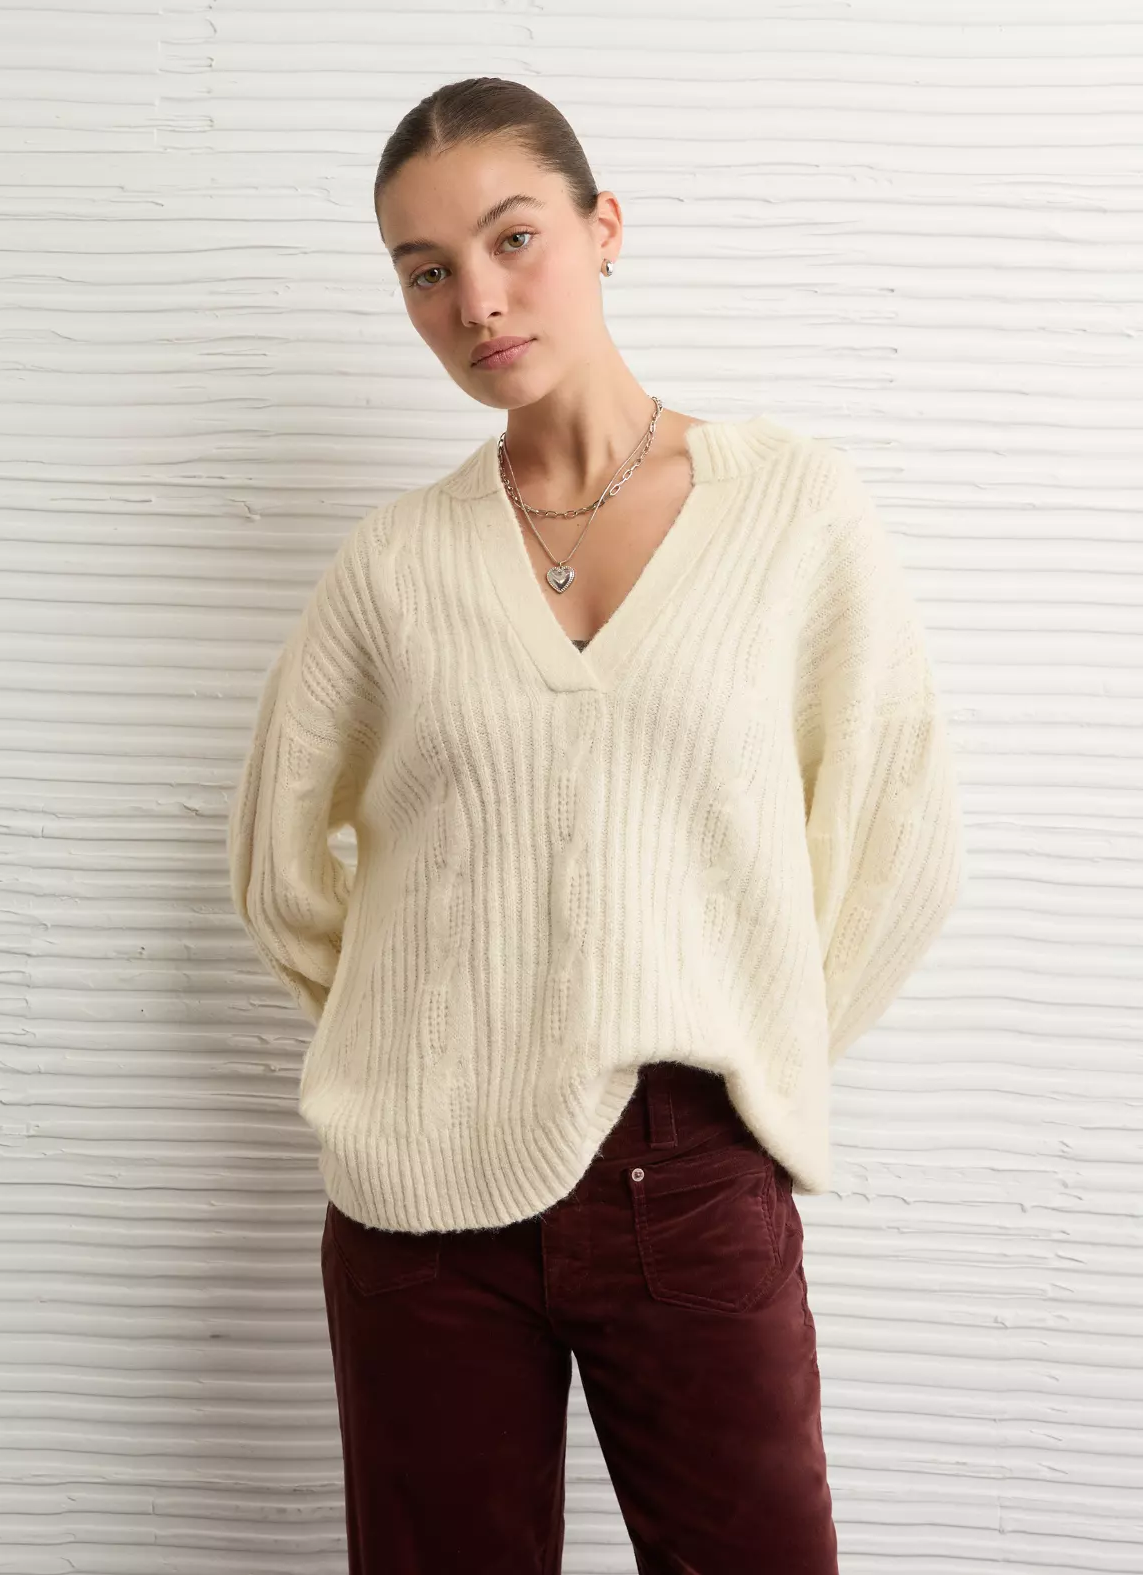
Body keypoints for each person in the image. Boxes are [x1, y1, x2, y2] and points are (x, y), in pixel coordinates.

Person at [227, 75, 966, 1575]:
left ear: (603, 225)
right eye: (425, 272)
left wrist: (756, 1043)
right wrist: (422, 1036)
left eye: (513, 239)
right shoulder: (392, 568)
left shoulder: (790, 510)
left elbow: (900, 834)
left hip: (691, 1172)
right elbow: (276, 870)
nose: (477, 301)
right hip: (419, 1198)